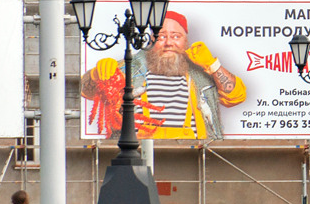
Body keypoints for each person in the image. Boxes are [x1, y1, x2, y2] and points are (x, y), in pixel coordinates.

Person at [80, 12, 245, 139]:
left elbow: (236, 97)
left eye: (176, 36)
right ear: (151, 40)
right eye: (161, 36)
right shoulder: (128, 68)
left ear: (186, 41)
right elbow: (86, 91)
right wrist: (95, 75)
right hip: (136, 156)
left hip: (192, 158)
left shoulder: (202, 74)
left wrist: (213, 65)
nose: (169, 43)